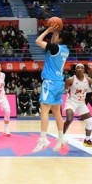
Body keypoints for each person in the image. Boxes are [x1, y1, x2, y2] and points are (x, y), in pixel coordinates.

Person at [33, 24, 71, 152]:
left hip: (50, 83)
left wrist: (48, 30)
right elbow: (53, 43)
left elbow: (38, 41)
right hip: (59, 83)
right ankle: (61, 138)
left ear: (60, 39)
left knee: (44, 110)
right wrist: (55, 32)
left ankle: (43, 139)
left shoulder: (55, 48)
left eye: (56, 35)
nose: (54, 37)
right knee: (56, 112)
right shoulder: (65, 50)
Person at [63, 64, 92, 147]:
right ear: (75, 70)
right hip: (71, 102)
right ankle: (61, 136)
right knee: (69, 119)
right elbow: (65, 91)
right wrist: (65, 90)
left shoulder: (88, 79)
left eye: (81, 68)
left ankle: (87, 140)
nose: (80, 69)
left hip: (81, 104)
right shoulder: (70, 80)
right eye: (78, 67)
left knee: (90, 121)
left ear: (84, 70)